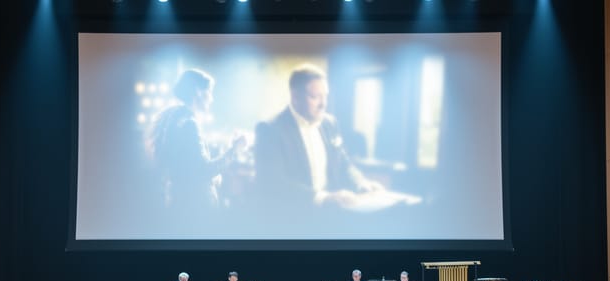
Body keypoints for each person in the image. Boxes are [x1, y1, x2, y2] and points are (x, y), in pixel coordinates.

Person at [254, 63, 420, 211]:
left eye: (325, 96)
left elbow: (344, 163)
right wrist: (323, 198)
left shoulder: (330, 123)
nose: (323, 104)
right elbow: (273, 182)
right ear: (295, 96)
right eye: (315, 97)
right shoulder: (270, 129)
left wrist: (361, 183)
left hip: (332, 216)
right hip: (292, 218)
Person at [148, 68, 245, 208]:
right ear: (198, 92)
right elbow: (203, 171)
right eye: (209, 92)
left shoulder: (178, 120)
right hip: (196, 209)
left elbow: (190, 170)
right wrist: (235, 150)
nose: (212, 98)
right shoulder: (190, 124)